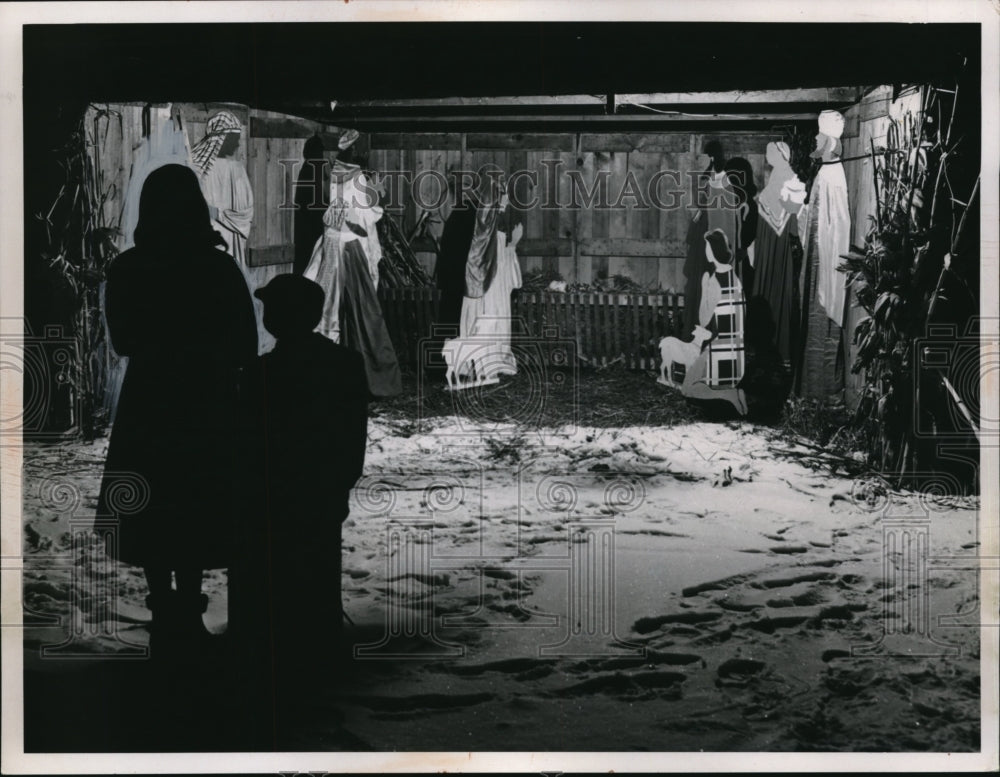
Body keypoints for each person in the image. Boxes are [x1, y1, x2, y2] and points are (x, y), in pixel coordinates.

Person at [96, 164, 258, 655]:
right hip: (204, 402)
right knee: (195, 498)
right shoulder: (217, 268)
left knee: (154, 500)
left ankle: (163, 607)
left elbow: (124, 342)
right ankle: (188, 605)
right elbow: (244, 348)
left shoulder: (127, 268)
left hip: (150, 400)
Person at [242, 273, 369, 731]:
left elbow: (250, 444)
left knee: (275, 570)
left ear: (277, 318)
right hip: (322, 488)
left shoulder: (261, 374)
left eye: (270, 308)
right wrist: (341, 483)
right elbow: (353, 434)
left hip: (274, 494)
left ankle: (275, 651)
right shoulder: (346, 364)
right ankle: (318, 647)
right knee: (317, 565)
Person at [303, 129, 402, 397]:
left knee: (330, 307)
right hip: (351, 246)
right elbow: (363, 217)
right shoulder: (356, 176)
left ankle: (326, 374)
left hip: (331, 242)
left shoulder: (335, 173)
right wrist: (378, 195)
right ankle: (376, 378)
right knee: (364, 310)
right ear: (358, 150)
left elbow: (338, 208)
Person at [797, 109, 852, 401]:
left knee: (823, 318)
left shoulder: (834, 176)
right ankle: (810, 390)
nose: (816, 138)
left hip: (826, 258)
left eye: (820, 134)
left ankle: (824, 394)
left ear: (829, 141)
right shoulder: (824, 172)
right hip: (817, 255)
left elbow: (838, 223)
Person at [751, 141, 808, 367]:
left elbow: (795, 219)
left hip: (778, 248)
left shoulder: (790, 180)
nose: (767, 156)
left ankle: (777, 349)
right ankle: (765, 349)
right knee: (767, 291)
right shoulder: (778, 177)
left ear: (781, 155)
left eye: (771, 152)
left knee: (775, 290)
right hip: (767, 247)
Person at [680, 228, 748, 416]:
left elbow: (704, 319)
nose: (706, 252)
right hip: (737, 351)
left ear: (715, 251)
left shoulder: (713, 280)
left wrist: (704, 286)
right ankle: (737, 395)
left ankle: (730, 395)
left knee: (687, 389)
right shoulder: (735, 279)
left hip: (720, 351)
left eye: (708, 248)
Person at [191, 110, 254, 270]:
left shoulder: (235, 169)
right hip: (204, 239)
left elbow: (246, 214)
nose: (238, 144)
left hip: (228, 240)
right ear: (222, 138)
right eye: (234, 139)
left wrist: (218, 214)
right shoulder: (194, 168)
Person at [293, 135, 330, 276]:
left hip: (308, 228)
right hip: (311, 229)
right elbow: (317, 203)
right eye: (319, 153)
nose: (322, 157)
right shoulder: (311, 171)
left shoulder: (310, 169)